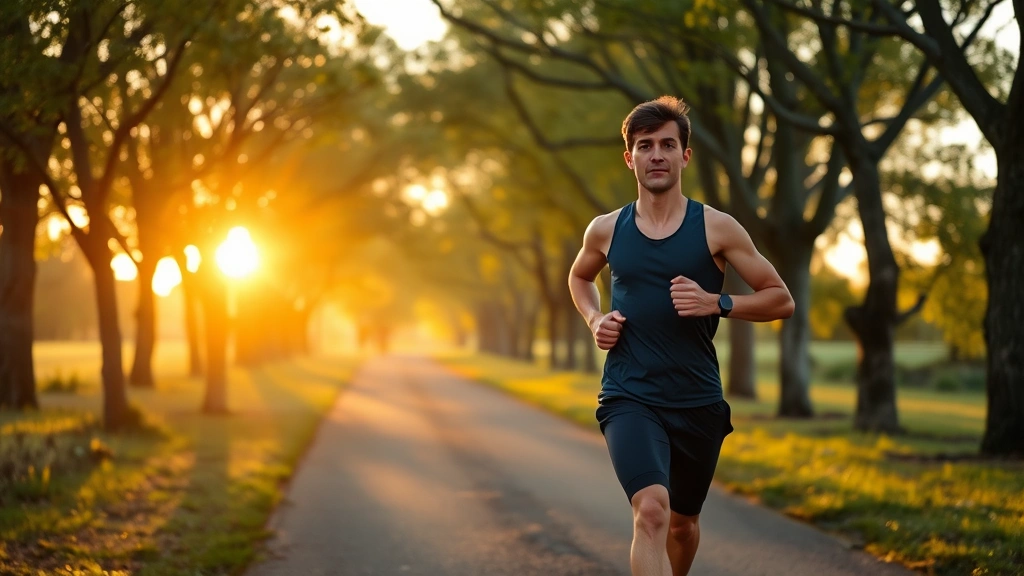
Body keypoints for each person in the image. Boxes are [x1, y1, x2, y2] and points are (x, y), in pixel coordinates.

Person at [567, 96, 794, 576]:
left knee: (682, 525)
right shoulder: (606, 230)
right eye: (645, 146)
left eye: (667, 145)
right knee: (651, 511)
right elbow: (579, 278)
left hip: (697, 400)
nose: (656, 155)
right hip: (629, 393)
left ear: (684, 156)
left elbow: (780, 298)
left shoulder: (717, 228)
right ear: (629, 158)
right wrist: (594, 320)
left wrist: (719, 302)